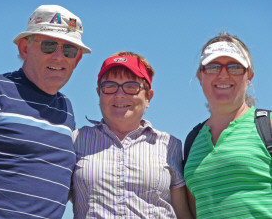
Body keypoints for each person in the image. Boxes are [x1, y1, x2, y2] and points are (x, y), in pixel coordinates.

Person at [0, 5, 91, 218]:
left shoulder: (66, 110)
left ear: (78, 59)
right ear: (24, 48)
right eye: (48, 45)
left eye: (69, 50)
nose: (59, 56)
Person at [71, 51, 193, 219]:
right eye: (110, 86)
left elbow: (183, 214)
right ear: (99, 93)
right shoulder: (75, 141)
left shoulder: (170, 145)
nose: (120, 94)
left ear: (148, 97)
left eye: (131, 87)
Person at [184, 32, 272, 218]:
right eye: (213, 67)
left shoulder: (268, 126)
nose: (223, 75)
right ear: (201, 76)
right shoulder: (192, 142)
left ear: (249, 76)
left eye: (234, 67)